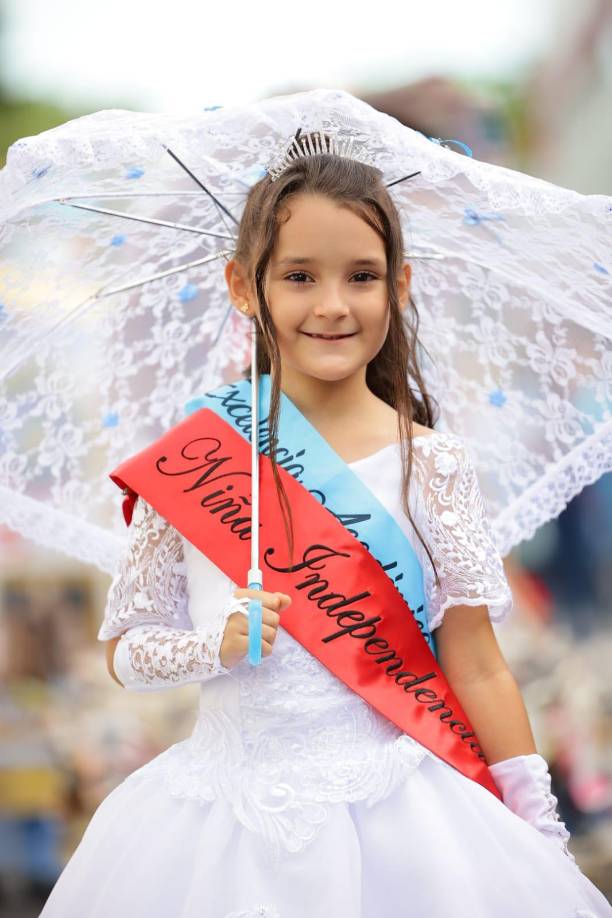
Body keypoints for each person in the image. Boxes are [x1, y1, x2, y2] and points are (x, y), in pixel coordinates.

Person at [39, 132, 612, 917]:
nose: (333, 304)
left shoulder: (433, 464)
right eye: (300, 276)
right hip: (216, 826)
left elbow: (477, 664)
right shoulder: (197, 457)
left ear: (399, 285)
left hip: (405, 816)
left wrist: (535, 825)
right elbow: (127, 653)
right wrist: (218, 646)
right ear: (245, 286)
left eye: (362, 277)